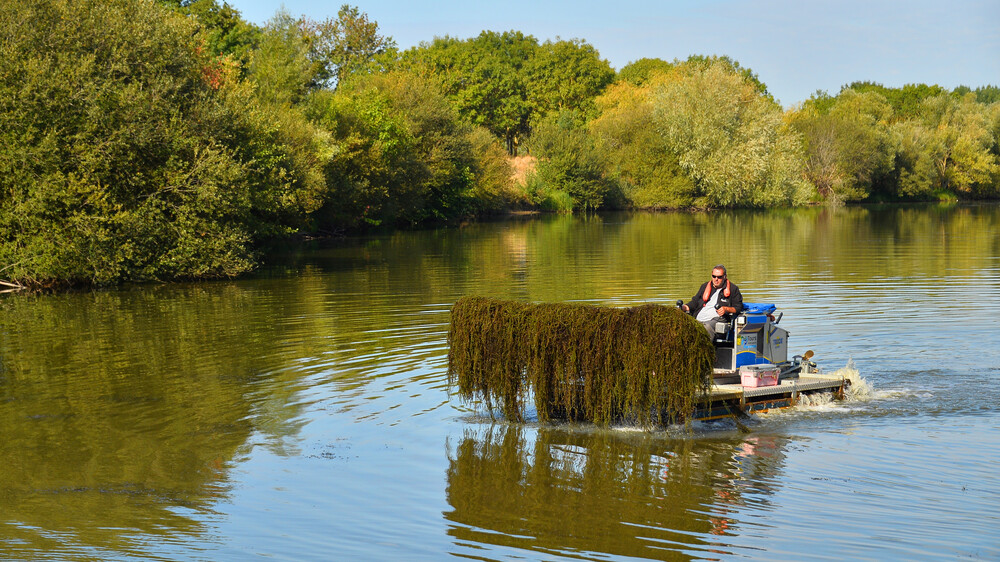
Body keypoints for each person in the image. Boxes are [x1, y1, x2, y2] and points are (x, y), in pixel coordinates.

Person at [682, 265, 744, 339]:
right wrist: (684, 307)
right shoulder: (704, 286)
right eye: (714, 276)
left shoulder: (733, 289)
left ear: (725, 276)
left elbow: (738, 308)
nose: (716, 279)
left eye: (719, 277)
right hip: (699, 318)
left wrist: (725, 309)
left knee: (706, 327)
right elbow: (694, 302)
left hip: (718, 319)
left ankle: (706, 345)